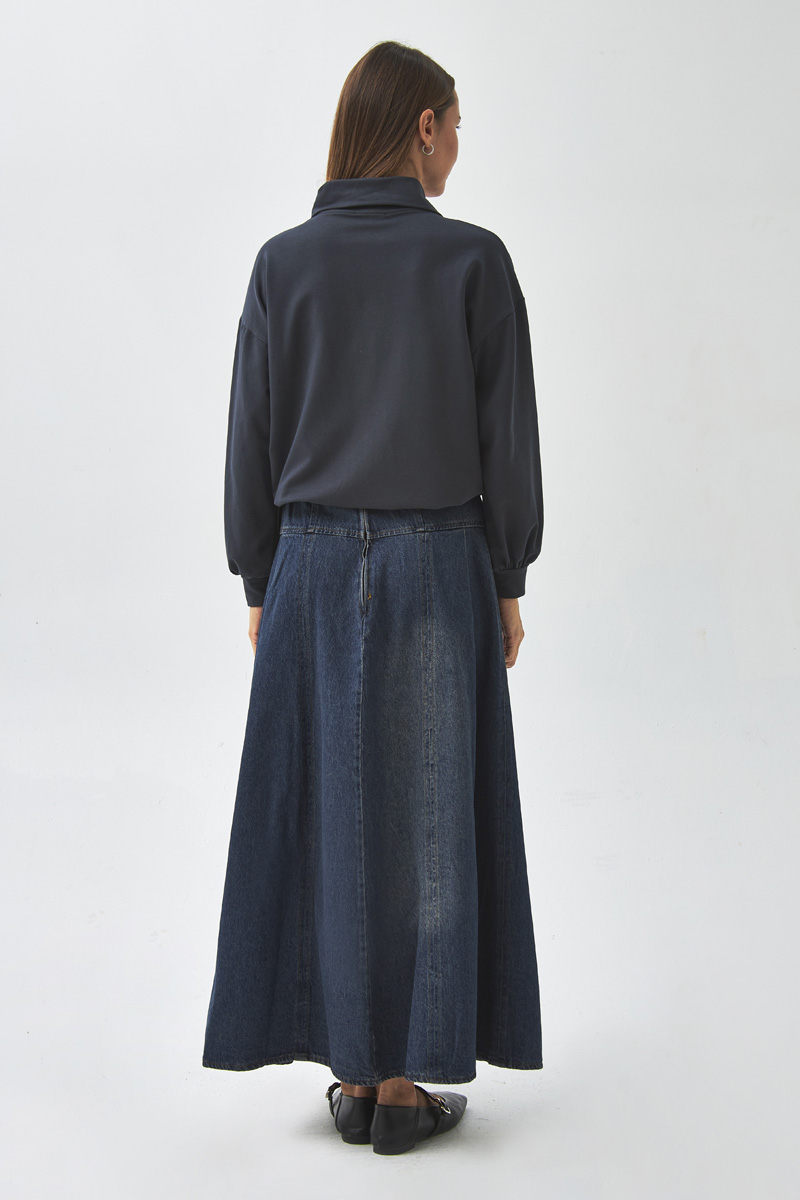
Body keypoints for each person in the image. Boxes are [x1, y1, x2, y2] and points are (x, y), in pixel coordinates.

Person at [202, 39, 545, 1156]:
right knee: (430, 817)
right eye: (457, 124)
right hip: (437, 558)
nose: (459, 146)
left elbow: (251, 437)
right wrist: (507, 577)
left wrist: (260, 575)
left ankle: (352, 1072)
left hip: (306, 562)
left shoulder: (281, 264)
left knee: (327, 808)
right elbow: (507, 440)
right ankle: (400, 1086)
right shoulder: (472, 262)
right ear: (423, 128)